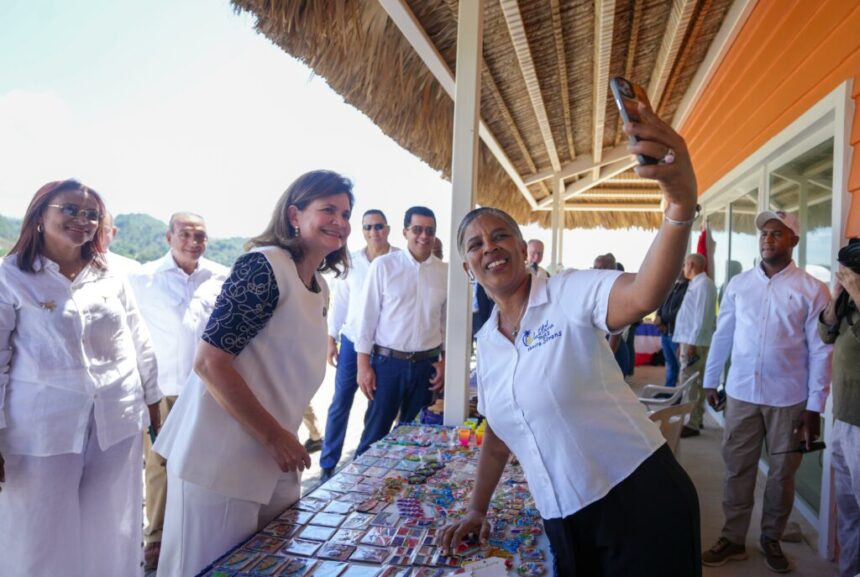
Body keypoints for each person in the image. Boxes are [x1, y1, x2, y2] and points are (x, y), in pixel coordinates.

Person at [442, 97, 702, 577]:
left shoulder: (568, 293)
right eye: (476, 245)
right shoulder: (489, 340)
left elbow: (643, 292)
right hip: (563, 518)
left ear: (523, 248)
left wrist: (680, 205)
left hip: (639, 499)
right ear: (466, 267)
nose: (490, 248)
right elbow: (500, 429)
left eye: (500, 236)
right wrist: (478, 509)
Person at [153, 170, 353, 577]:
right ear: (295, 215)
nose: (341, 221)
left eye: (346, 212)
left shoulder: (319, 286)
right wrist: (274, 435)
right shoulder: (263, 267)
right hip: (219, 460)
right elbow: (210, 362)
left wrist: (281, 438)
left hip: (273, 461)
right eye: (328, 209)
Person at [0, 179, 161, 577]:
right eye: (69, 209)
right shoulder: (11, 277)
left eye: (92, 214)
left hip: (116, 421)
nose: (82, 219)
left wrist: (155, 405)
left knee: (113, 525)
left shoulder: (110, 274)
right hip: (41, 427)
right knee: (39, 529)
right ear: (40, 215)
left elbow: (138, 339)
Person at [701, 209, 832, 573]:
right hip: (741, 393)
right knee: (737, 469)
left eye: (777, 233)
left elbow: (821, 350)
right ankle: (733, 539)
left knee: (781, 474)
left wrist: (814, 406)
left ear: (794, 240)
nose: (767, 239)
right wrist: (711, 380)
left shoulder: (812, 290)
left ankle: (771, 539)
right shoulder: (739, 285)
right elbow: (722, 333)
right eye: (763, 234)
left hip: (789, 400)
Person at [129, 211, 228, 570]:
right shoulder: (143, 278)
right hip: (162, 388)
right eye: (185, 234)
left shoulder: (221, 276)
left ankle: (195, 532)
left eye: (200, 236)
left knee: (202, 461)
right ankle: (155, 536)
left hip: (206, 389)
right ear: (168, 237)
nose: (193, 242)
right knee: (158, 463)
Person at [355, 206, 446, 456]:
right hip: (387, 365)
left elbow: (446, 324)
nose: (424, 236)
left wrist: (444, 361)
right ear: (405, 232)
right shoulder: (384, 266)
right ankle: (360, 491)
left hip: (425, 367)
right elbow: (367, 318)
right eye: (417, 229)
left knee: (414, 439)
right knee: (374, 436)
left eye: (430, 231)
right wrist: (363, 366)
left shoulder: (444, 273)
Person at [320, 209, 398, 480]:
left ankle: (363, 462)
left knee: (375, 406)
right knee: (340, 401)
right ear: (362, 231)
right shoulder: (350, 263)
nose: (373, 231)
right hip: (352, 342)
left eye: (378, 226)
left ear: (387, 229)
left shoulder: (399, 260)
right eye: (368, 227)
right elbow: (339, 303)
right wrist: (331, 339)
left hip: (384, 346)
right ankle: (328, 464)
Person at [818, 238, 860, 577]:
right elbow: (825, 334)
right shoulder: (847, 301)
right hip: (842, 416)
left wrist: (858, 291)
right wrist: (837, 297)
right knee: (848, 511)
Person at [673, 253, 717, 438]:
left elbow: (701, 317)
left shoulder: (704, 285)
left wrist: (692, 343)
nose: (683, 268)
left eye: (684, 264)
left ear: (691, 264)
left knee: (689, 382)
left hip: (695, 342)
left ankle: (691, 422)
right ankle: (695, 419)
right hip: (689, 340)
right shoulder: (696, 284)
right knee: (692, 381)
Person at [655, 270, 689, 387]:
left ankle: (680, 394)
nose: (679, 271)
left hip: (677, 334)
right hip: (665, 333)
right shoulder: (673, 286)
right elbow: (662, 304)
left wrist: (662, 318)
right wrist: (658, 317)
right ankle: (668, 391)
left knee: (682, 366)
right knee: (670, 364)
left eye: (682, 267)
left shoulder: (689, 288)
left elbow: (681, 312)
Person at [99, 210, 143, 275]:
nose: (97, 235)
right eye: (92, 230)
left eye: (103, 230)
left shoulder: (131, 269)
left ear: (113, 232)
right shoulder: (79, 264)